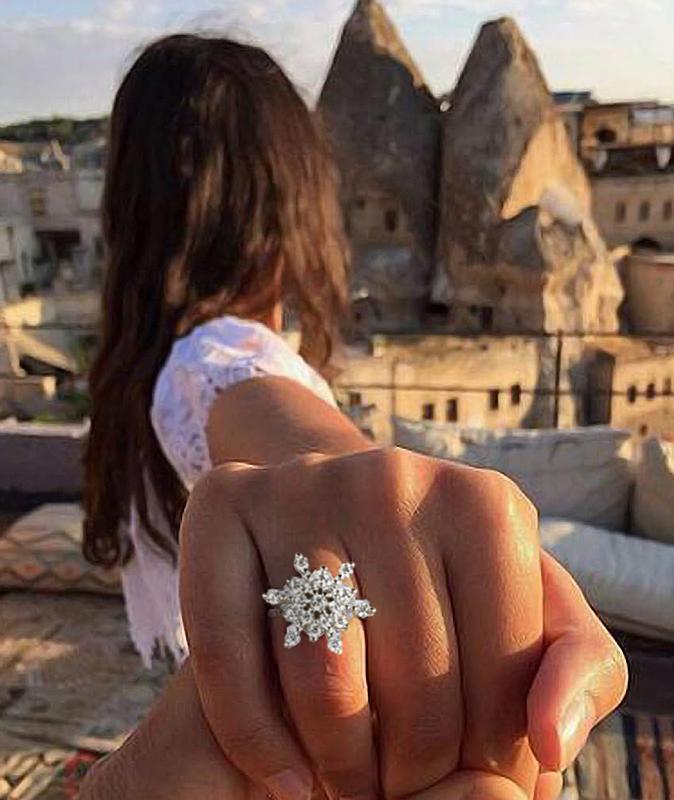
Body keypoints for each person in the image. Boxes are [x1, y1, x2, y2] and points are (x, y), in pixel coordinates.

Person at [81, 34, 627, 800]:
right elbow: (278, 422)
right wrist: (372, 495)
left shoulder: (141, 361)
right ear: (295, 199)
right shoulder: (218, 356)